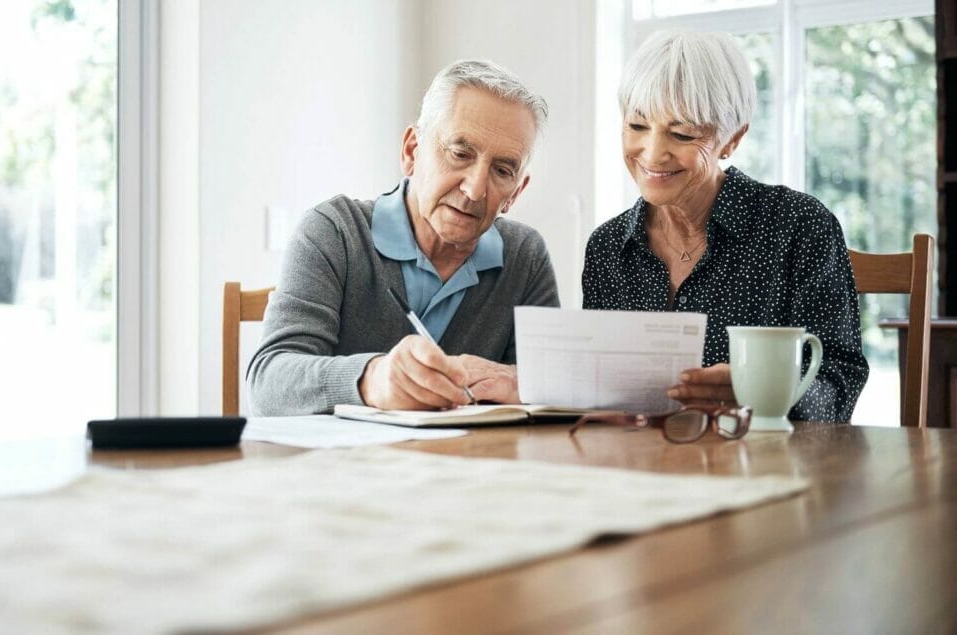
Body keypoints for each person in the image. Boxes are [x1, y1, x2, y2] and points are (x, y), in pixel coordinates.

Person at [582, 30, 868, 422]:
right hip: (641, 468)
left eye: (681, 134)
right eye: (636, 126)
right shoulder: (608, 247)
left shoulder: (800, 226)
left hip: (764, 467)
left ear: (732, 139)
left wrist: (764, 392)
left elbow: (839, 385)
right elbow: (601, 391)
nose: (651, 153)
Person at [248, 59, 560, 416]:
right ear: (411, 151)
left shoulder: (525, 255)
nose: (475, 189)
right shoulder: (334, 232)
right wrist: (372, 380)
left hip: (473, 465)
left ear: (515, 193)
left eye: (502, 170)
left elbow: (551, 391)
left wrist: (521, 382)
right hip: (343, 468)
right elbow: (267, 385)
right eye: (460, 154)